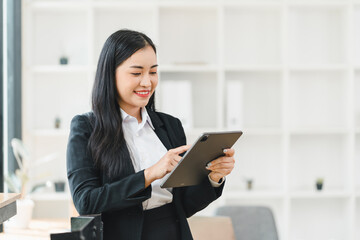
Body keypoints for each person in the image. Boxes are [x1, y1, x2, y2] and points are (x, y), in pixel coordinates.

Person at [66, 29, 236, 240]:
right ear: (110, 74)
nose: (147, 82)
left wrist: (213, 177)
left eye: (153, 72)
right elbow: (86, 201)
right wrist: (150, 174)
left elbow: (183, 206)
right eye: (136, 73)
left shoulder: (170, 125)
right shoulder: (86, 127)